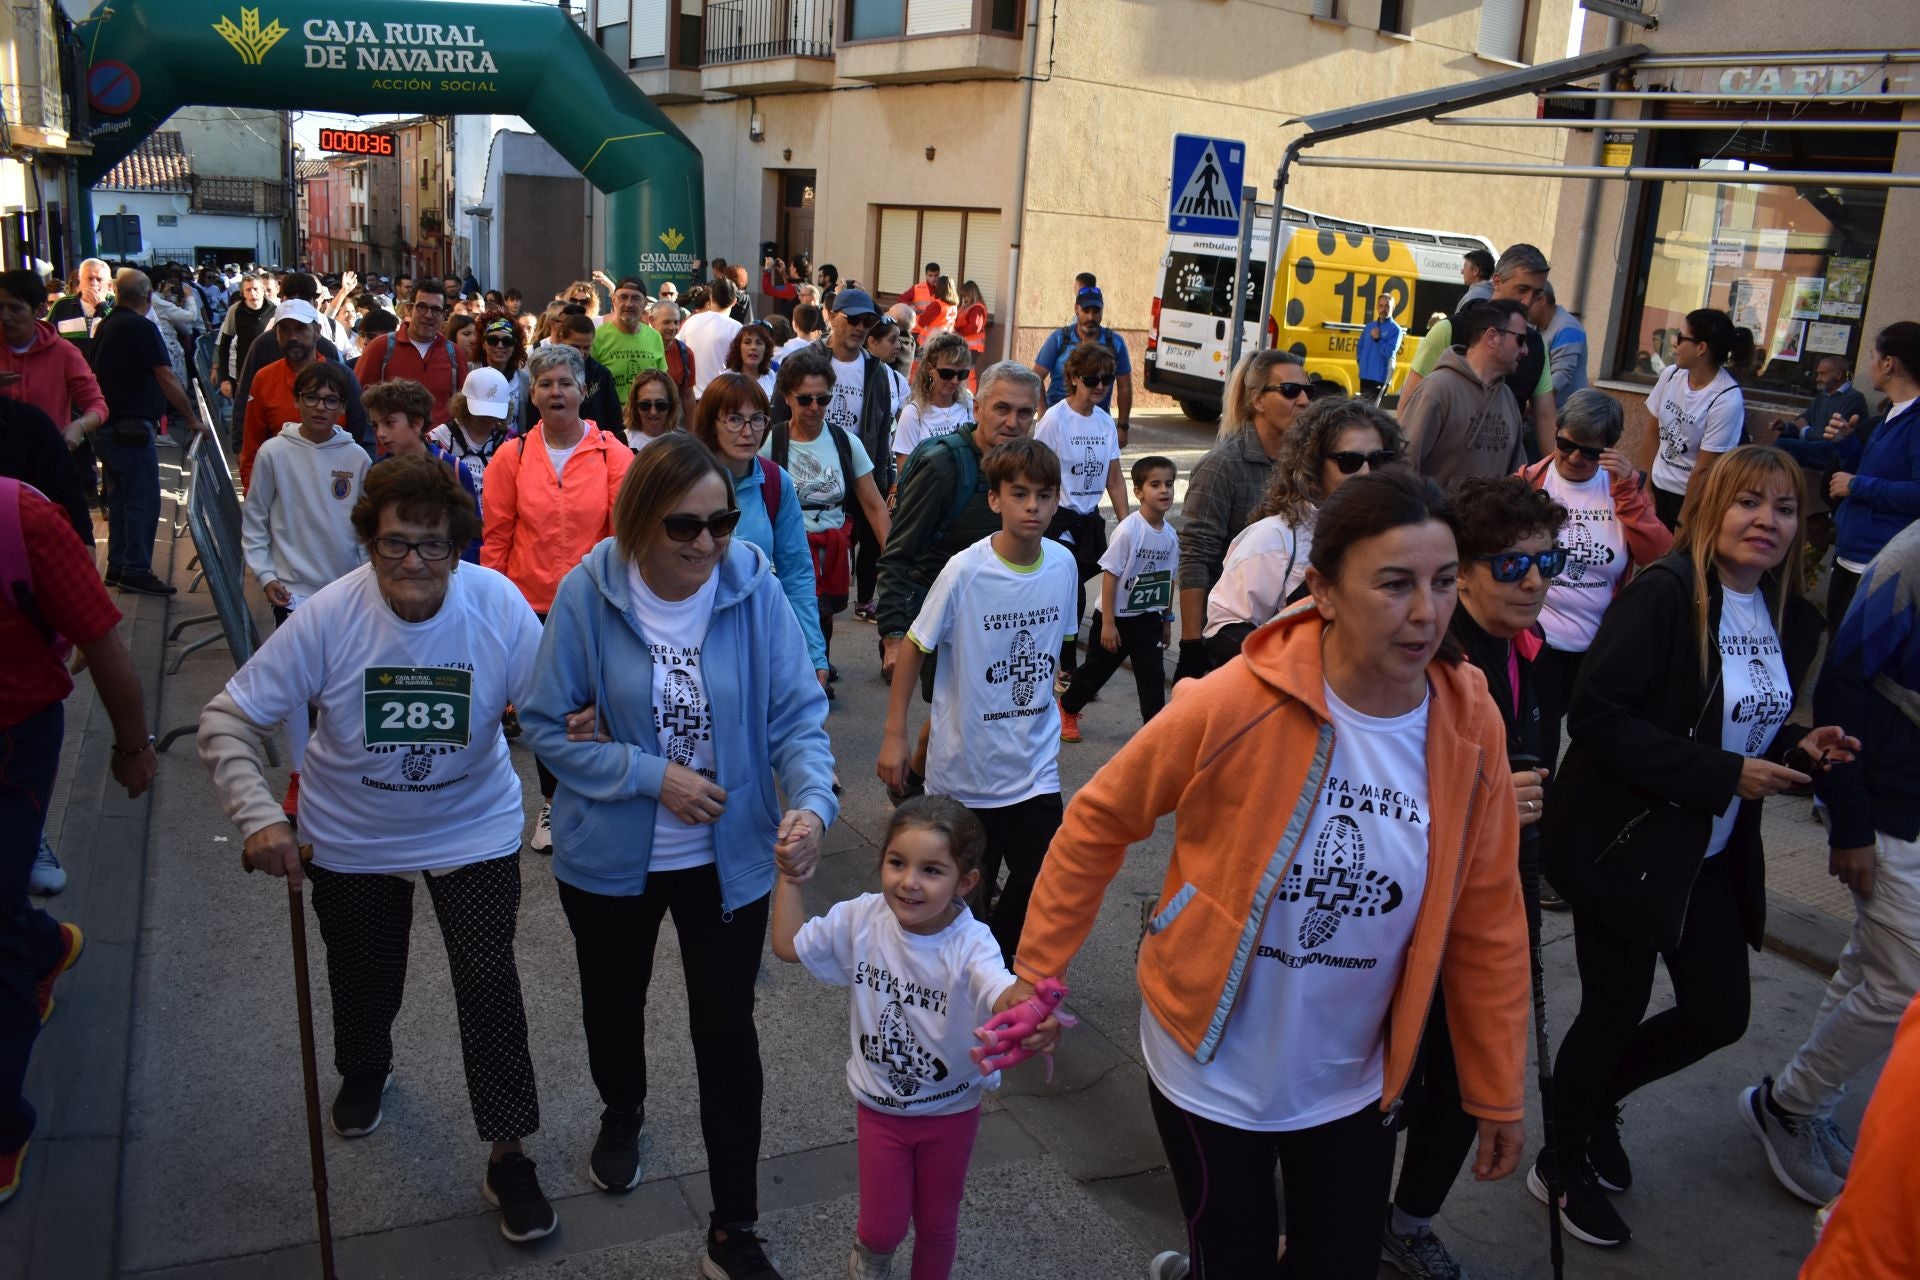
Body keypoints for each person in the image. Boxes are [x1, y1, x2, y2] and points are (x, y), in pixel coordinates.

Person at [1010, 467, 1530, 1280]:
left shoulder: (1470, 721)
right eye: (1394, 584)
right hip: (1213, 1074)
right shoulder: (1234, 699)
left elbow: (1489, 917)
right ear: (1322, 591)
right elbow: (1099, 819)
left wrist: (1496, 1087)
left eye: (1440, 581)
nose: (1426, 613)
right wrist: (1039, 971)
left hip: (1353, 1083)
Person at [199, 456, 558, 1244]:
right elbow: (226, 719)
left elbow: (556, 713)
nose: (413, 564)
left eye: (432, 546)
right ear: (367, 542)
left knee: (487, 980)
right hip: (353, 833)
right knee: (364, 975)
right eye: (395, 544)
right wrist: (259, 814)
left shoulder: (495, 605)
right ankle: (365, 1065)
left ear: (458, 549)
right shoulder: (328, 617)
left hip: (474, 825)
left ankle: (509, 1151)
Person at [518, 432, 835, 1280]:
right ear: (637, 524)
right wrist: (651, 775)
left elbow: (797, 718)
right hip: (610, 860)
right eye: (682, 528)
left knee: (727, 1032)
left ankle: (734, 1227)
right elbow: (545, 726)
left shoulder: (750, 587)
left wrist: (811, 804)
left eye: (720, 523)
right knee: (613, 1008)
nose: (705, 544)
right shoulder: (589, 593)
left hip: (726, 859)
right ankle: (623, 1106)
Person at [1538, 445, 1856, 1248]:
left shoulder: (1784, 613)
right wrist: (1720, 773)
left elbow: (1734, 715)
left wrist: (1797, 744)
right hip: (1628, 840)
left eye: (1784, 509)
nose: (1767, 522)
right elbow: (1599, 714)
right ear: (1711, 508)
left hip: (1710, 849)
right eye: (1750, 503)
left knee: (1719, 1013)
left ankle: (1585, 1099)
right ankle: (1561, 1158)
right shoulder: (1667, 595)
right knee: (1613, 1009)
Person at [1382, 475, 1566, 1280]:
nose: (1534, 581)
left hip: (1494, 898)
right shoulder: (1436, 658)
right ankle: (1318, 1214)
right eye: (1512, 566)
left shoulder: (1536, 652)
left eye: (1548, 562)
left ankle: (1407, 1220)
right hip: (1412, 906)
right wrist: (1484, 801)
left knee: (1469, 1073)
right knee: (1387, 1080)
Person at [1740, 520, 1920, 1207]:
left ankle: (1806, 1103)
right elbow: (1843, 694)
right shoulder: (1907, 565)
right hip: (1889, 810)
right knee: (1903, 985)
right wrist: (1851, 824)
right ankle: (1790, 1104)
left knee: (1870, 967)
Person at [770, 796, 1017, 1280]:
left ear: (965, 882)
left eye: (931, 870)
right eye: (897, 862)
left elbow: (998, 990)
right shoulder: (863, 918)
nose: (909, 881)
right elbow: (787, 945)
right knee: (881, 1229)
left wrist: (1026, 1009)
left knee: (937, 1223)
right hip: (879, 1112)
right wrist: (790, 876)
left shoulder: (972, 943)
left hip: (951, 1111)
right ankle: (872, 1256)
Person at [0, 478, 155, 1204]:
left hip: (12, 747)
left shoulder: (24, 518)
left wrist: (133, 749)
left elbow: (101, 639)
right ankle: (42, 945)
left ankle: (4, 1126)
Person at [879, 437, 1077, 963]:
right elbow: (916, 646)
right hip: (968, 773)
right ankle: (965, 975)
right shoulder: (966, 571)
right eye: (1018, 494)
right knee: (967, 895)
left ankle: (1002, 968)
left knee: (1043, 878)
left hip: (1035, 768)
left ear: (1058, 500)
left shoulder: (1063, 565)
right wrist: (896, 735)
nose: (1032, 506)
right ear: (995, 500)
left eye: (1043, 494)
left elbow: (1058, 644)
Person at [481, 344, 634, 852]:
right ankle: (553, 801)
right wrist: (491, 604)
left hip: (596, 602)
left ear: (584, 391)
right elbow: (497, 536)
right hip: (531, 605)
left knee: (602, 705)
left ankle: (599, 796)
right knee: (547, 711)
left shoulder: (615, 454)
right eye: (545, 384)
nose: (555, 392)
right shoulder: (513, 454)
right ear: (532, 392)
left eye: (565, 383)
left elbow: (625, 538)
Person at [877, 363, 1043, 798]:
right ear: (979, 405)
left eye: (1025, 413)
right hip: (940, 618)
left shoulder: (1028, 466)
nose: (1013, 422)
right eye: (1002, 408)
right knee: (965, 719)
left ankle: (916, 777)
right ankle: (944, 811)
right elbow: (898, 556)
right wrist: (895, 634)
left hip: (996, 620)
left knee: (964, 714)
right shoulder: (941, 465)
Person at [1516, 388, 1672, 790]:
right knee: (1542, 742)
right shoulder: (1529, 480)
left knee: (1593, 741)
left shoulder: (1622, 487)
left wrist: (1627, 492)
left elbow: (1658, 551)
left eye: (1588, 452)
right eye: (1565, 444)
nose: (1573, 458)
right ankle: (1535, 833)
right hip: (1537, 638)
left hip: (1597, 644)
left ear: (1609, 449)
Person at [241, 360, 369, 816]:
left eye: (331, 399)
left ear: (342, 407)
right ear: (297, 401)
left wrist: (367, 580)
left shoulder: (356, 459)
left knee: (340, 685)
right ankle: (299, 775)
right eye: (312, 397)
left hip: (345, 589)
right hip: (292, 589)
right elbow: (255, 520)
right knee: (296, 689)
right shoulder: (275, 453)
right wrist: (266, 575)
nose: (321, 406)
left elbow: (363, 531)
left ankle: (337, 768)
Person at [1203, 396, 1405, 665]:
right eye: (1349, 461)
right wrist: (1296, 672)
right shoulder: (1274, 538)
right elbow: (1224, 633)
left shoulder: (1398, 536)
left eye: (1380, 460)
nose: (1367, 473)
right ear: (1314, 466)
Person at [1172, 348, 1310, 683]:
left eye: (1309, 390)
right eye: (1291, 391)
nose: (1304, 400)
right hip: (1228, 638)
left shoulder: (1311, 465)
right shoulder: (1221, 466)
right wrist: (1191, 643)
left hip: (1289, 637)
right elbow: (1195, 556)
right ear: (1257, 400)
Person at [690, 371, 830, 690]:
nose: (748, 431)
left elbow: (796, 571)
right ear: (712, 422)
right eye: (735, 419)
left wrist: (812, 652)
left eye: (757, 419)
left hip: (756, 634)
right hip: (690, 635)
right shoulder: (685, 478)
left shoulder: (775, 481)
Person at [764, 349, 891, 685]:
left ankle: (819, 662)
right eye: (805, 399)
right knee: (797, 612)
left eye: (823, 399)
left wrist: (892, 559)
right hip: (787, 549)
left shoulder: (845, 443)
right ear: (787, 397)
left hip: (833, 546)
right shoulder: (771, 442)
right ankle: (803, 675)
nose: (815, 408)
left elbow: (875, 506)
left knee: (825, 612)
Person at [89, 269, 200, 596]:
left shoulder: (109, 323)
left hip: (110, 427)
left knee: (122, 498)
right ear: (148, 295)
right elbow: (166, 376)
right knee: (142, 500)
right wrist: (191, 418)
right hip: (128, 428)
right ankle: (135, 568)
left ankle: (120, 566)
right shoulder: (140, 326)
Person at [799, 290, 906, 622]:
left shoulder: (878, 371)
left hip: (858, 473)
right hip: (811, 473)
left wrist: (886, 481)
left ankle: (856, 603)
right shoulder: (806, 361)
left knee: (857, 549)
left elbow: (881, 427)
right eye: (853, 319)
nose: (860, 327)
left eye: (868, 322)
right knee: (816, 563)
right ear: (832, 316)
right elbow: (779, 421)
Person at [1059, 455, 1177, 742]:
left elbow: (1168, 580)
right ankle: (1068, 707)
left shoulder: (1171, 536)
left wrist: (1166, 620)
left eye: (1169, 484)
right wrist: (1109, 623)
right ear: (1138, 492)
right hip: (1116, 618)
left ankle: (1154, 731)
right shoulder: (1129, 530)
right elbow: (1110, 576)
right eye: (1155, 484)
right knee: (1096, 672)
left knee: (1152, 675)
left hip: (1148, 618)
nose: (1164, 490)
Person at [1402, 244, 1556, 459]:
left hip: (1496, 484)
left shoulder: (1535, 347)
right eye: (1522, 290)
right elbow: (1408, 411)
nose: (1528, 301)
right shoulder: (1449, 330)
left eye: (1537, 293)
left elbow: (1547, 421)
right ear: (1497, 282)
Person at [1033, 341, 1129, 684]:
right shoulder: (1055, 420)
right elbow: (1035, 474)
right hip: (1058, 519)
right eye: (1092, 379)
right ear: (1073, 378)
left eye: (1106, 379)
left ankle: (1057, 641)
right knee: (1072, 589)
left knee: (1097, 582)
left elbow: (1115, 480)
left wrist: (1126, 525)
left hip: (1089, 519)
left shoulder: (1104, 424)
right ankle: (1068, 667)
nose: (1100, 386)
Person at [1825, 321, 1919, 643]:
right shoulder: (1892, 414)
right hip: (1852, 556)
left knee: (1851, 675)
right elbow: (1874, 474)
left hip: (1879, 566)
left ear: (1889, 363)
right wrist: (1848, 444)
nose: (1869, 365)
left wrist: (1856, 486)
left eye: (1872, 355)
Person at [0, 269, 105, 539]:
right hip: (3, 476)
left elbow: (97, 406)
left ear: (38, 309)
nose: (5, 317)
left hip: (49, 469)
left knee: (70, 544)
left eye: (14, 308)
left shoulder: (63, 352)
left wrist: (78, 427)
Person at [1641, 307, 1753, 530]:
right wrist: (1646, 489)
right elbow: (1652, 432)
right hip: (1657, 488)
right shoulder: (1671, 374)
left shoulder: (1726, 398)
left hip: (1692, 499)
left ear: (1701, 348)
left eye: (1682, 337)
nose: (1675, 343)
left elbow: (1704, 469)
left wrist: (1683, 520)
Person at [1399, 299, 1528, 489]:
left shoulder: (1507, 398)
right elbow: (1403, 469)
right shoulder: (1436, 389)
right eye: (1521, 340)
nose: (1526, 350)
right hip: (1434, 517)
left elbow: (1517, 478)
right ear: (1492, 337)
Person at [240, 300, 362, 487]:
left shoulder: (343, 376)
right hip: (282, 486)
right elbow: (251, 446)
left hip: (337, 486)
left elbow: (362, 438)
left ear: (317, 331)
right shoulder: (264, 378)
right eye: (285, 330)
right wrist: (253, 495)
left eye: (301, 329)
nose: (293, 337)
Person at [366, 378, 483, 559]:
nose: (380, 433)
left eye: (389, 423)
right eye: (375, 425)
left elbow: (472, 536)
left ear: (417, 423)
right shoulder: (377, 472)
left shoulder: (454, 469)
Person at [354, 283, 469, 424]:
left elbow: (464, 406)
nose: (428, 315)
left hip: (440, 445)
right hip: (391, 444)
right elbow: (357, 399)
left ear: (443, 315)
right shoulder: (380, 348)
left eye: (435, 310)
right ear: (409, 308)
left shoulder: (454, 354)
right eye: (422, 307)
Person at [1032, 286, 1133, 441]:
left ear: (1102, 311)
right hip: (1059, 422)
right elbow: (1035, 377)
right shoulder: (1059, 339)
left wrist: (1123, 426)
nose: (1091, 317)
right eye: (1086, 310)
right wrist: (1043, 413)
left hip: (1097, 422)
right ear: (1076, 309)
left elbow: (1125, 385)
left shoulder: (1115, 343)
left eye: (1096, 311)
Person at [891, 333, 975, 484]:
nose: (955, 381)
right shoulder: (913, 413)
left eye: (962, 374)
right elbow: (905, 469)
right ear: (930, 369)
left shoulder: (967, 403)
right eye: (947, 373)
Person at [429, 367, 515, 506]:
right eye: (482, 410)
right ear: (463, 404)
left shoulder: (512, 441)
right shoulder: (439, 438)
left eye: (494, 411)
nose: (488, 416)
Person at [591, 276, 668, 407]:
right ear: (614, 301)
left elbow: (662, 381)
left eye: (636, 298)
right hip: (611, 421)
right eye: (623, 297)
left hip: (645, 418)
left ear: (644, 304)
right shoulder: (597, 336)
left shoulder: (654, 337)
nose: (629, 304)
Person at [553, 313, 626, 439]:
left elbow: (615, 419)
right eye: (575, 347)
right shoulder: (548, 373)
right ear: (562, 340)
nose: (581, 353)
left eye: (586, 347)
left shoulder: (601, 374)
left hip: (596, 444)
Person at [678, 279, 743, 400]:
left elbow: (676, 350)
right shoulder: (737, 327)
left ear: (711, 298)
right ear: (734, 301)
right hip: (723, 397)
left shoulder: (691, 321)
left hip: (692, 398)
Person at [47, 257, 114, 364]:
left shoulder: (116, 304)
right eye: (89, 278)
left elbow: (123, 331)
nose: (94, 284)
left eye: (99, 279)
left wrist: (102, 306)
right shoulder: (62, 305)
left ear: (109, 285)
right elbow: (48, 340)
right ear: (80, 282)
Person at [472, 312, 531, 430]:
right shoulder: (470, 373)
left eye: (507, 341)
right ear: (483, 344)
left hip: (513, 446)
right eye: (493, 340)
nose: (500, 345)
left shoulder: (524, 380)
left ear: (515, 346)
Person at [1534, 282, 1589, 405]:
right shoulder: (1533, 326)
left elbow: (1561, 376)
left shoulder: (1567, 328)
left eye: (1528, 300)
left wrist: (1533, 405)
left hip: (1564, 415)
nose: (1523, 305)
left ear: (1542, 300)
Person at [1356, 294, 1403, 404]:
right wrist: (1362, 363)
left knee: (1370, 412)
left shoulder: (1395, 329)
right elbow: (1360, 347)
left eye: (1387, 306)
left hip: (1380, 378)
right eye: (1381, 306)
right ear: (1377, 307)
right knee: (1363, 410)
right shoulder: (1369, 326)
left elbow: (1390, 352)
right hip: (1365, 376)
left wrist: (1378, 339)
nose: (1383, 309)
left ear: (1393, 308)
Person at [624, 368, 684, 452]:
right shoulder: (621, 443)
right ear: (634, 406)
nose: (653, 412)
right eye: (645, 405)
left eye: (661, 405)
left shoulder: (682, 446)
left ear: (671, 405)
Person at [652, 301, 697, 405]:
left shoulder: (685, 353)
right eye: (666, 322)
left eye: (676, 322)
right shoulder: (642, 349)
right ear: (652, 321)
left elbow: (688, 395)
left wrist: (692, 421)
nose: (672, 327)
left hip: (672, 417)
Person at [725, 321, 778, 400]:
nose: (753, 347)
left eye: (759, 343)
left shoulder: (772, 377)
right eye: (747, 342)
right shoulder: (725, 379)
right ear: (738, 348)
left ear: (766, 349)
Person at [867, 314, 914, 385]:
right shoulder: (852, 373)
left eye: (898, 340)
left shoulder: (898, 381)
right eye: (892, 340)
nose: (899, 346)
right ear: (872, 342)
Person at [954, 281, 989, 379]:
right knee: (963, 372)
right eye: (963, 296)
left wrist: (958, 330)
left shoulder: (976, 308)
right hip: (966, 346)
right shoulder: (967, 307)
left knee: (967, 372)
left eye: (966, 296)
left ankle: (969, 393)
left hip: (972, 347)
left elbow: (974, 327)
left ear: (972, 294)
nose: (964, 299)